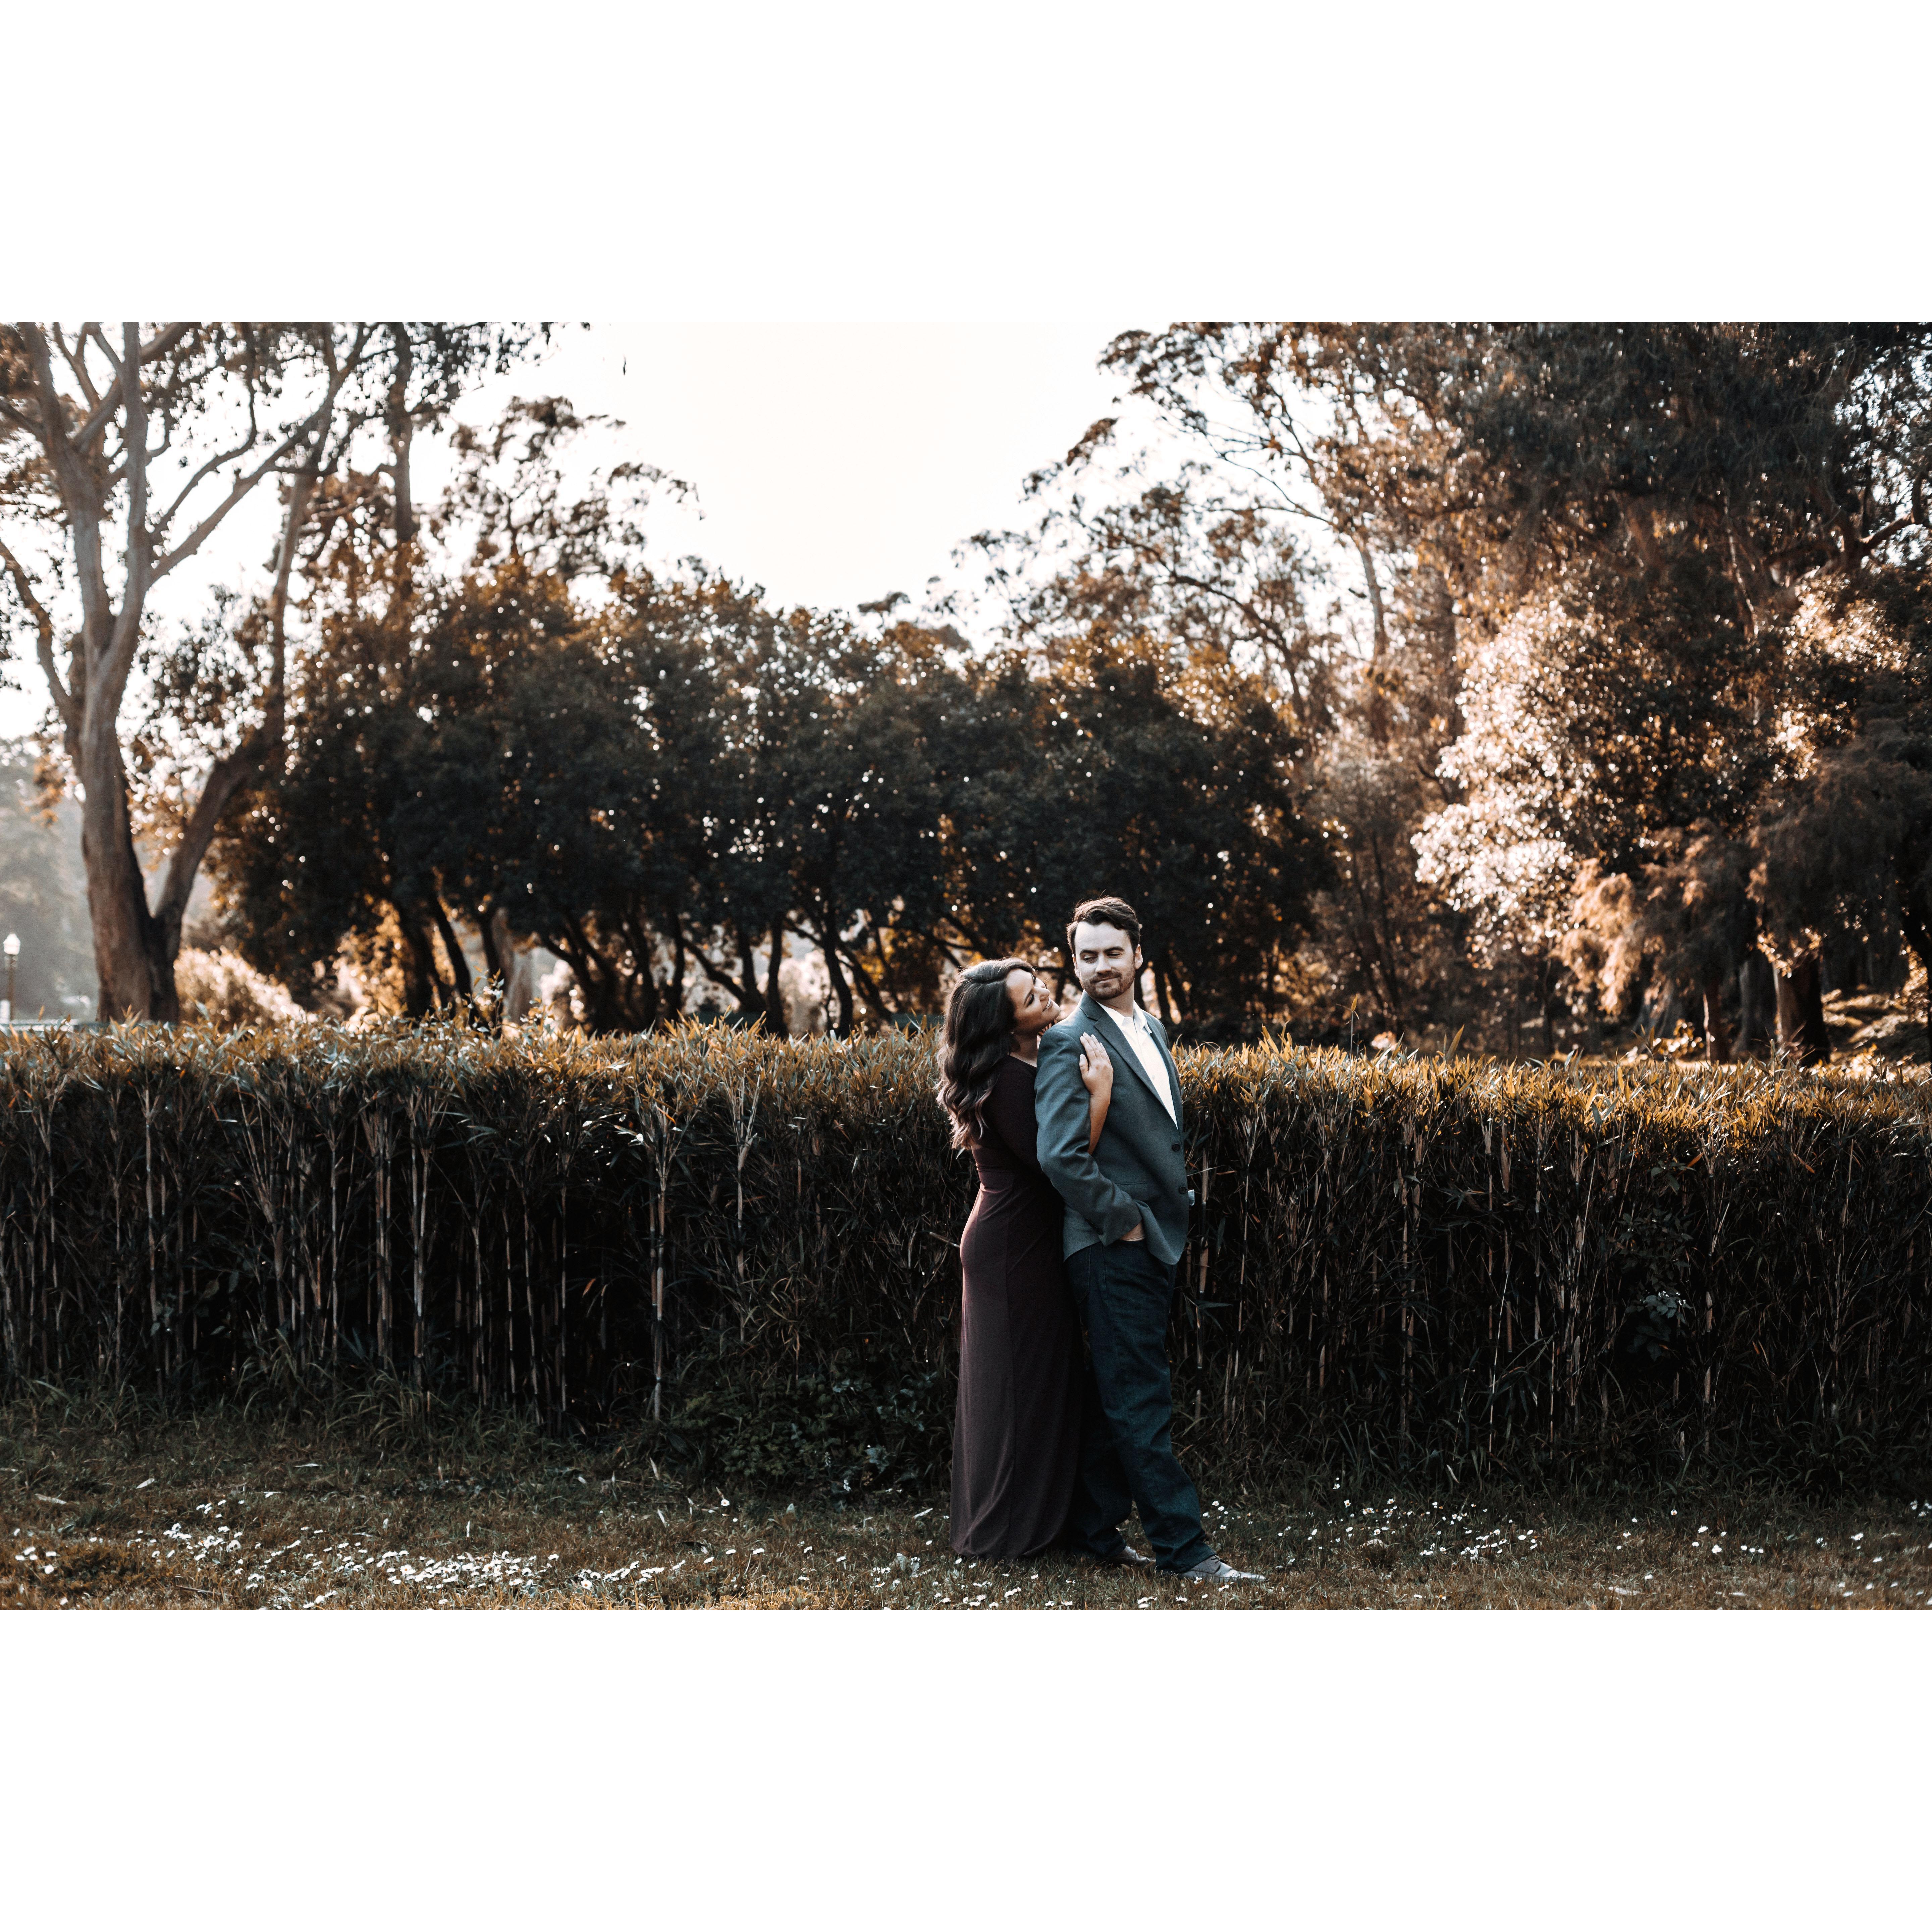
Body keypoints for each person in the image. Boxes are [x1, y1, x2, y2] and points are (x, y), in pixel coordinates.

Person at [1034, 896, 1263, 1583]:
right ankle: (1185, 1552)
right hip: (1110, 1244)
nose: (1099, 967)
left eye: (1112, 953)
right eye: (1086, 956)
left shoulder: (1153, 1030)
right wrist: (1124, 1219)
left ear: (1138, 955)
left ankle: (1093, 1534)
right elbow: (1059, 1156)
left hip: (1154, 1238)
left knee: (1120, 1392)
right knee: (1141, 1396)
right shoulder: (1067, 1041)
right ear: (1074, 963)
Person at [938, 957, 1118, 1559]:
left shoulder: (1022, 1062)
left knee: (1042, 1382)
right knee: (1017, 1390)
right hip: (1014, 1248)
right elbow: (1058, 1165)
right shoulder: (1007, 1080)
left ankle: (1044, 1523)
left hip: (1019, 1239)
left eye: (1038, 984)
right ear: (1003, 1023)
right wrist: (1101, 1096)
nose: (1045, 994)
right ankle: (1007, 1533)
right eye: (1028, 996)